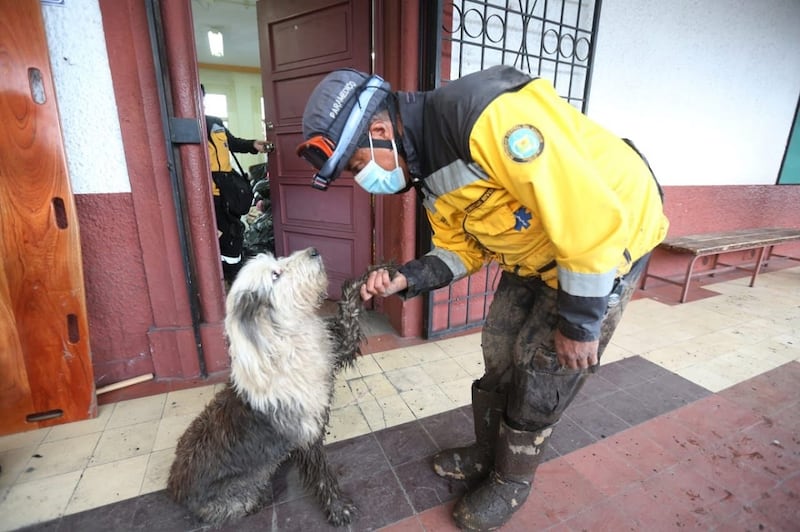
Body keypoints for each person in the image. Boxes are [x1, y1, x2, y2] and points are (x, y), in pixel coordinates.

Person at [296, 66, 668, 531]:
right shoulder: (428, 169)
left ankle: (512, 479)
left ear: (379, 130)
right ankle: (487, 452)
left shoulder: (484, 116)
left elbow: (586, 216)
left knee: (542, 365)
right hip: (537, 250)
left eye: (356, 165)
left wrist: (579, 324)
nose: (362, 180)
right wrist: (404, 278)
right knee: (499, 346)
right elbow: (461, 248)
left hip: (603, 242)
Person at [201, 84, 271, 284]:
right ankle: (225, 279)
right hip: (207, 193)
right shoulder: (187, 127)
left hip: (227, 189)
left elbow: (233, 143)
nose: (201, 105)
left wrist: (253, 145)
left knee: (234, 231)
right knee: (222, 236)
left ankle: (234, 277)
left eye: (202, 100)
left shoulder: (215, 123)